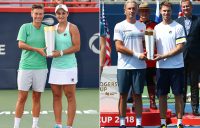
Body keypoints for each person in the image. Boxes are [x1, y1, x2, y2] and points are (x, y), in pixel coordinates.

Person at [113, 0, 147, 127]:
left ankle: (138, 124)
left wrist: (147, 52)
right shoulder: (119, 26)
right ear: (125, 10)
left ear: (137, 10)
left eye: (134, 8)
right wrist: (137, 54)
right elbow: (118, 47)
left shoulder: (142, 26)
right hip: (124, 66)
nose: (132, 11)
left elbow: (146, 45)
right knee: (122, 95)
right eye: (129, 9)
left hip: (139, 67)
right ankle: (122, 124)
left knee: (137, 95)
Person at [14, 4, 48, 128]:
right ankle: (16, 126)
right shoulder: (25, 27)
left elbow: (50, 46)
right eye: (36, 13)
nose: (38, 16)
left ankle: (35, 125)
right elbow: (21, 44)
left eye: (40, 14)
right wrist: (37, 49)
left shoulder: (47, 29)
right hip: (25, 67)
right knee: (22, 97)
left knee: (37, 97)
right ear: (31, 14)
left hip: (41, 68)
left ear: (43, 14)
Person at [154, 1, 186, 128]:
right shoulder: (156, 28)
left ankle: (179, 122)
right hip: (161, 68)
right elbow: (152, 46)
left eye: (168, 11)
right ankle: (163, 123)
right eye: (164, 11)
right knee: (162, 96)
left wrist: (164, 56)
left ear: (171, 11)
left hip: (177, 67)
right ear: (161, 11)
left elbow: (180, 47)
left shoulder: (178, 27)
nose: (166, 13)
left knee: (178, 95)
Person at [48, 4, 80, 128]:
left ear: (67, 14)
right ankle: (58, 124)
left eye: (63, 13)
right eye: (58, 13)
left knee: (70, 96)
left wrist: (60, 53)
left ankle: (69, 126)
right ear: (56, 15)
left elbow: (77, 47)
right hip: (56, 67)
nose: (61, 15)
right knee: (56, 96)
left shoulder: (73, 28)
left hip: (69, 67)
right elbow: (50, 46)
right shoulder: (52, 29)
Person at [127, 1, 157, 110]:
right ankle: (135, 102)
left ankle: (152, 101)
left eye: (146, 12)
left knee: (151, 82)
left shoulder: (155, 25)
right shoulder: (135, 25)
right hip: (138, 60)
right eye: (142, 11)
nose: (144, 14)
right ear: (139, 12)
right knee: (137, 83)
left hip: (151, 60)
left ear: (149, 13)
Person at [176, 0, 200, 116]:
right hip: (181, 57)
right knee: (182, 84)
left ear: (192, 7)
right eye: (184, 7)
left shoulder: (199, 20)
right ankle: (182, 108)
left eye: (188, 6)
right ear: (181, 8)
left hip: (195, 58)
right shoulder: (177, 22)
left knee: (194, 84)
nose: (186, 8)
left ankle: (195, 109)